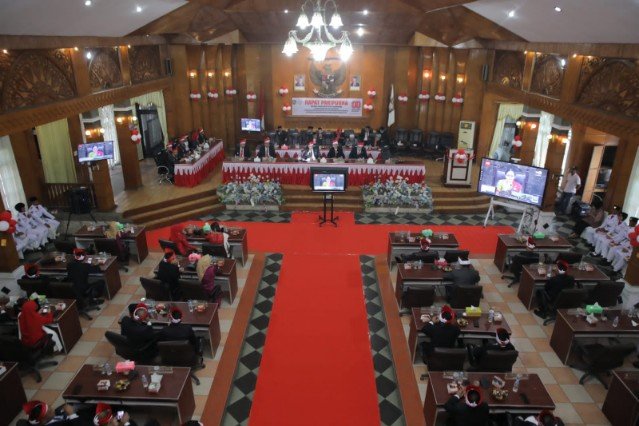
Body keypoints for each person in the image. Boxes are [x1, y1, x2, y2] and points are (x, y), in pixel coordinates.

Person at [22, 400, 87, 425]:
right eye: (50, 411)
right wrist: (72, 414)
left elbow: (56, 413)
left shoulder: (49, 418)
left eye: (49, 406)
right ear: (43, 421)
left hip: (68, 416)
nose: (52, 408)